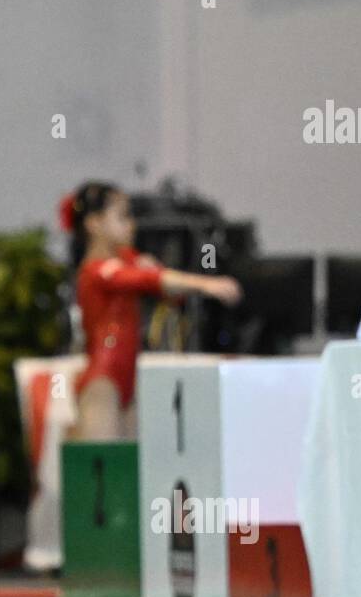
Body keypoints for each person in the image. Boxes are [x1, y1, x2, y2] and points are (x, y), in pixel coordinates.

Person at [60, 182, 242, 440]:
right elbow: (150, 280)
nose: (131, 224)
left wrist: (172, 281)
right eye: (122, 217)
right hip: (103, 380)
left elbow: (160, 280)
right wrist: (207, 284)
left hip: (127, 380)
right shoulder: (94, 270)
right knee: (103, 469)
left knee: (131, 471)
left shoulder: (126, 258)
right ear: (94, 224)